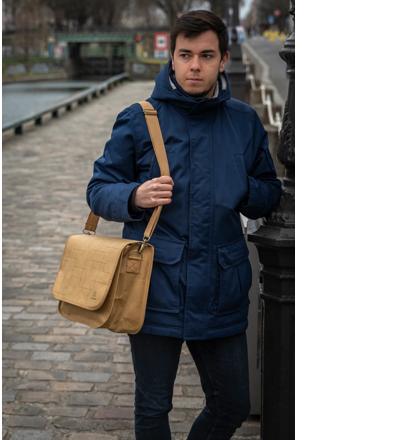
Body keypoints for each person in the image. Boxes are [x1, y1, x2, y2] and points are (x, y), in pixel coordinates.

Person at [86, 10, 282, 440]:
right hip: (154, 288)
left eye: (206, 55)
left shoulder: (244, 121)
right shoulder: (139, 118)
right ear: (172, 58)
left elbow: (270, 191)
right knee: (153, 407)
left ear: (223, 59)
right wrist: (134, 196)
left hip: (221, 287)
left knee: (231, 403)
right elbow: (98, 190)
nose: (195, 66)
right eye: (186, 55)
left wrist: (243, 187)